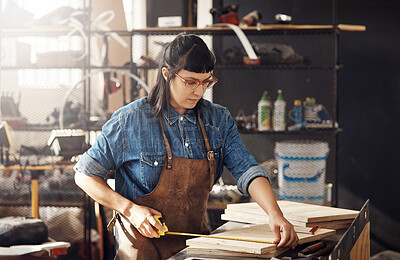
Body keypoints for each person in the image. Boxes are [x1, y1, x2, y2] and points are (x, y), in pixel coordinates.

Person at [74, 34, 298, 260]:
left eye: (206, 81)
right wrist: (130, 210)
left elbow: (247, 169)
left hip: (196, 245)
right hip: (141, 246)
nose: (199, 92)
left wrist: (274, 214)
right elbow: (84, 175)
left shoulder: (218, 120)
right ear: (166, 74)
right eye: (190, 82)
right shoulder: (129, 120)